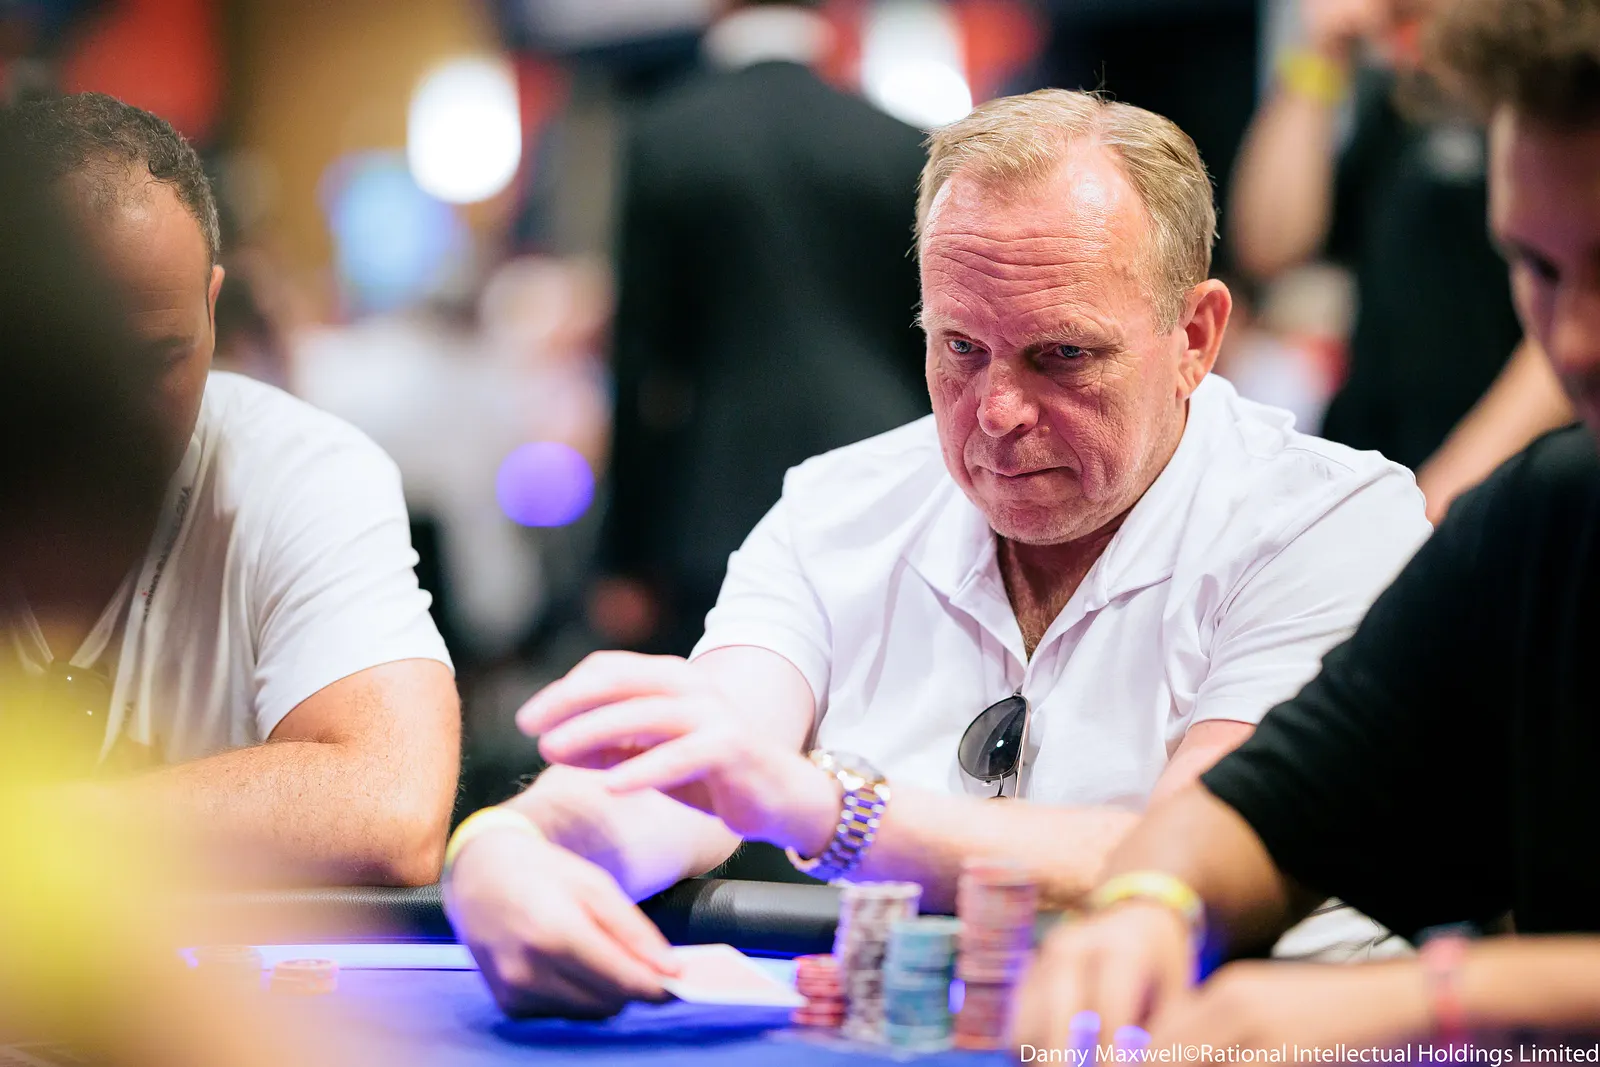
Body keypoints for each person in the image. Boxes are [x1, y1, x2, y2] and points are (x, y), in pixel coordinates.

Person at [444, 87, 1434, 1017]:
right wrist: (507, 843)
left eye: (1062, 354)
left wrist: (826, 807)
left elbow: (1204, 850)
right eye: (960, 347)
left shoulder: (1332, 522)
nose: (996, 412)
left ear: (1196, 337)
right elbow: (704, 766)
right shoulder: (836, 505)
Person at [1016, 0, 1600, 1050]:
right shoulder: (1546, 519)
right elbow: (1278, 802)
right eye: (1537, 267)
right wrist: (1151, 898)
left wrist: (1441, 997)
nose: (1576, 342)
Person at [0, 93, 459, 887]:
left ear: (212, 308)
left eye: (156, 361)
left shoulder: (302, 471)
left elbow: (394, 806)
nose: (109, 416)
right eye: (61, 364)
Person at [594, 0, 931, 655]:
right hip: (887, 486)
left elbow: (639, 363)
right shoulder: (899, 143)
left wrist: (624, 556)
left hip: (718, 501)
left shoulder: (664, 138)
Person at [1230, 0, 1551, 490]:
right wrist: (1319, 57)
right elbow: (1270, 246)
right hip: (1376, 454)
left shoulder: (1538, 80)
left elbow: (1571, 317)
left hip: (1493, 477)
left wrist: (1446, 489)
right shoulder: (1397, 91)